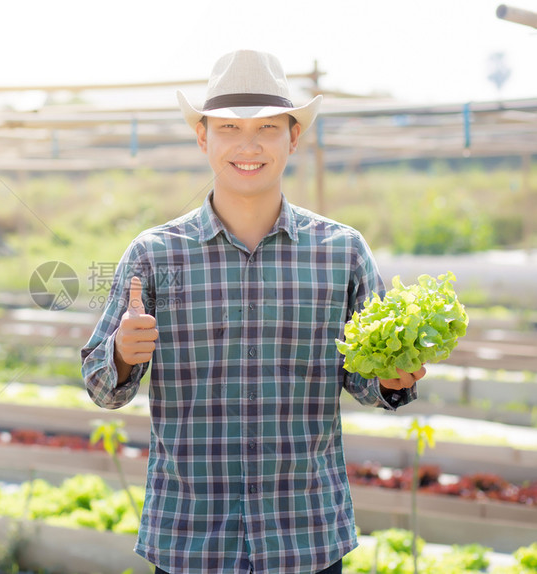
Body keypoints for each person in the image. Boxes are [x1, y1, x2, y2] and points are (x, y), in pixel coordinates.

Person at [80, 50, 426, 574]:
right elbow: (103, 387)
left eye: (267, 126)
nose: (249, 144)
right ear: (203, 138)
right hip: (190, 537)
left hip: (305, 535)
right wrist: (123, 355)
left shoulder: (342, 251)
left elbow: (365, 379)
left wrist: (393, 377)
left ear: (293, 137)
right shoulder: (154, 255)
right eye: (229, 128)